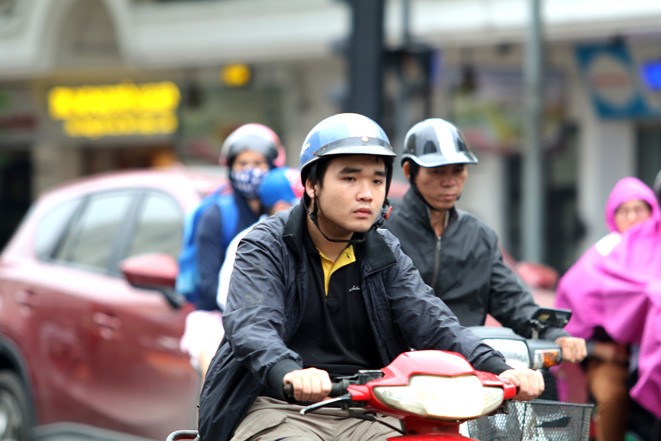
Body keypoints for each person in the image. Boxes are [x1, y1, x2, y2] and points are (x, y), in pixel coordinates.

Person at [197, 113, 545, 441]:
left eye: (377, 180)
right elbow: (252, 324)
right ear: (312, 184)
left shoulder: (383, 249)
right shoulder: (264, 245)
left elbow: (431, 319)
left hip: (367, 412)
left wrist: (499, 368)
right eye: (349, 178)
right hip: (276, 407)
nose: (367, 193)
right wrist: (287, 371)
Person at [383, 118, 587, 365]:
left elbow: (511, 300)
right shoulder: (384, 231)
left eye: (457, 170)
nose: (449, 181)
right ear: (408, 171)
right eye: (437, 172)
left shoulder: (478, 234)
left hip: (469, 364)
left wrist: (554, 333)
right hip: (397, 367)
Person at [555, 177, 660, 441]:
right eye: (624, 211)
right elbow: (572, 296)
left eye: (640, 209)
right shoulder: (602, 254)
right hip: (612, 357)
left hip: (654, 355)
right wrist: (600, 350)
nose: (633, 217)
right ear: (612, 216)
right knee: (611, 398)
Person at [179, 123, 283, 377]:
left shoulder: (280, 212)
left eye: (259, 164)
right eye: (243, 164)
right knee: (216, 378)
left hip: (271, 317)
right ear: (230, 168)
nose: (251, 171)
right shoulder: (216, 216)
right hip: (217, 318)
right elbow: (210, 286)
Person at [217, 166, 304, 311]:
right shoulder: (250, 241)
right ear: (281, 206)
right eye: (300, 204)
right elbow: (226, 300)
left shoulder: (309, 236)